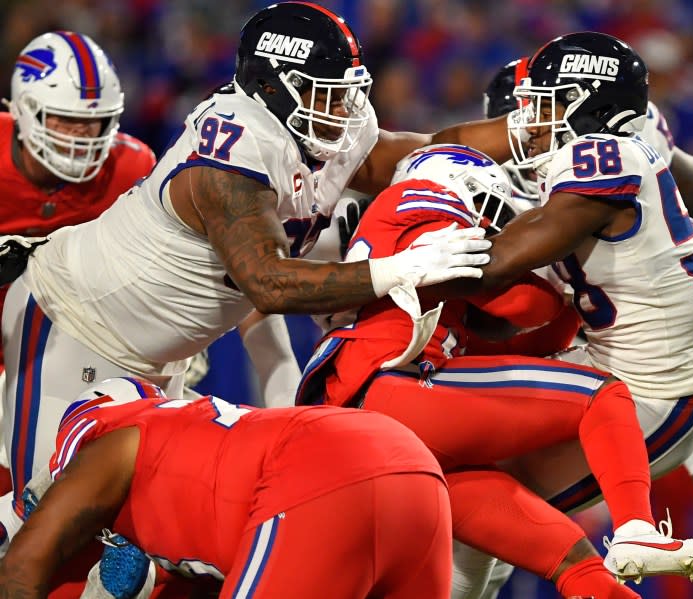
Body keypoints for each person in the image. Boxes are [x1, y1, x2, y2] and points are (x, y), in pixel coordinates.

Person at [0, 1, 503, 526]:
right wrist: (400, 270)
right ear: (272, 88)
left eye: (348, 90)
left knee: (141, 528)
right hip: (74, 324)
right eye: (325, 91)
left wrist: (531, 133)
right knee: (37, 522)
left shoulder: (317, 132)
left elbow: (420, 152)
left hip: (160, 352)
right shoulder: (234, 148)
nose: (343, 108)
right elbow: (269, 284)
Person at [300, 143, 693, 597]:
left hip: (392, 409)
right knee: (600, 396)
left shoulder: (399, 220)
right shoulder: (423, 200)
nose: (500, 223)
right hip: (387, 384)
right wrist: (562, 272)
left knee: (574, 563)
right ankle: (634, 528)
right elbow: (524, 304)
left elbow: (531, 339)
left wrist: (568, 302)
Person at [471, 50, 693, 599]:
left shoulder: (608, 157)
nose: (521, 130)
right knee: (480, 485)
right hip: (594, 348)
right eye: (514, 115)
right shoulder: (561, 163)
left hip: (652, 358)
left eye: (536, 109)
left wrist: (394, 263)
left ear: (582, 107)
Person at [0, 378, 452, 598]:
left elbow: (22, 566)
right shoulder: (190, 437)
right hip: (412, 469)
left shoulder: (111, 444)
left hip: (320, 475)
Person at [0, 30, 157, 502]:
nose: (85, 136)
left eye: (97, 122)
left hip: (66, 350)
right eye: (67, 121)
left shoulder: (130, 166)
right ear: (26, 112)